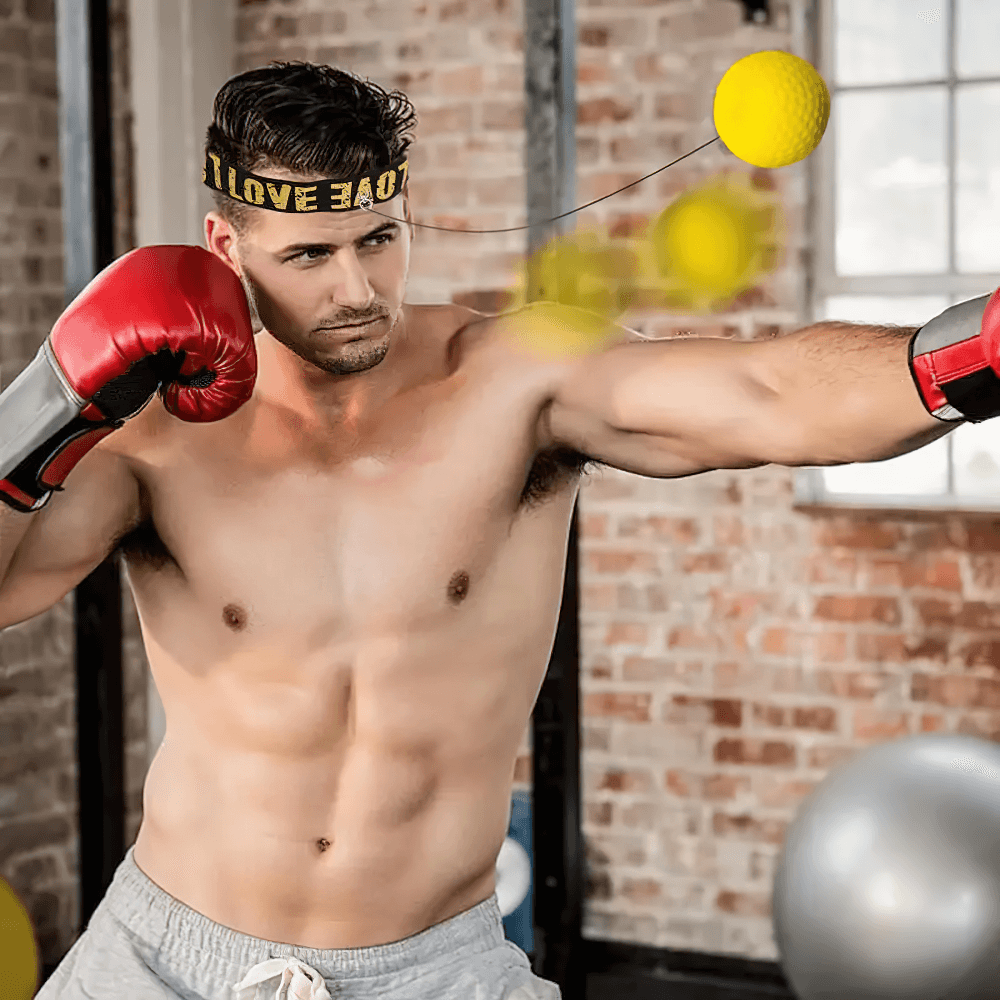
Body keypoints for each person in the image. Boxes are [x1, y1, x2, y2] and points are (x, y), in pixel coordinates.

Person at [3, 60, 998, 1000]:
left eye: (379, 239)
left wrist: (975, 349)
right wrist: (50, 397)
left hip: (434, 970)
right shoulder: (155, 437)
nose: (356, 290)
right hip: (165, 956)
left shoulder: (512, 383)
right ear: (226, 248)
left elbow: (765, 391)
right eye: (308, 255)